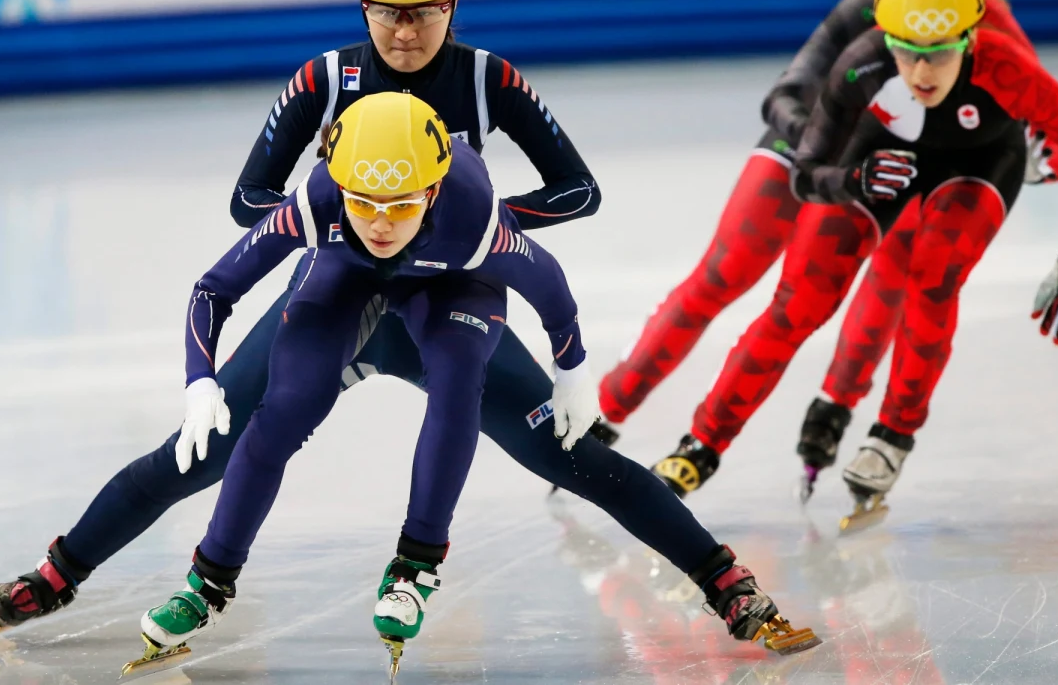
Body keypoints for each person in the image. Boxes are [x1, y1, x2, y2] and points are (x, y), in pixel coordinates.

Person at [0, 0, 817, 668]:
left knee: (570, 458)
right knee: (201, 450)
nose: (404, 32)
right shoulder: (325, 79)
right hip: (335, 285)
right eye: (385, 11)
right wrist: (341, 218)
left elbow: (577, 192)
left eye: (423, 12)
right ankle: (59, 572)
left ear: (454, 4)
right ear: (362, 6)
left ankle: (725, 582)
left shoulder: (485, 80)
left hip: (448, 291)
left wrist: (470, 228)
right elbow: (250, 202)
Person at [124, 93, 818, 675]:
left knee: (493, 406)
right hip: (340, 282)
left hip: (454, 284)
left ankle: (424, 566)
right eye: (365, 203)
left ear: (432, 190)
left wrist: (573, 370)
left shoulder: (473, 215)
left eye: (402, 205)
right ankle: (208, 581)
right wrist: (198, 382)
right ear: (340, 186)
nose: (382, 222)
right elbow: (213, 289)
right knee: (282, 409)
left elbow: (551, 291)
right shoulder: (318, 199)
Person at [593, 0, 1058, 498]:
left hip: (889, 164)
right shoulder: (869, 5)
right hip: (820, 145)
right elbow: (785, 94)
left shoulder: (994, 28)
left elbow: (1047, 127)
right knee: (727, 272)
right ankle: (610, 406)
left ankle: (833, 408)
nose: (927, 10)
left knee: (888, 271)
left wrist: (1041, 152)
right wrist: (827, 148)